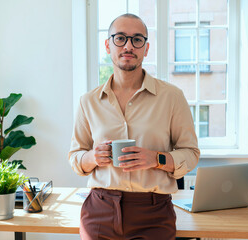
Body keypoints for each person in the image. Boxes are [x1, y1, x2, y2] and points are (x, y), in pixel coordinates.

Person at [69, 13, 200, 240]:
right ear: (107, 45)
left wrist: (156, 159)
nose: (128, 46)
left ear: (146, 49)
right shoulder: (88, 101)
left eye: (137, 39)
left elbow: (191, 153)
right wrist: (92, 157)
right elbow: (75, 157)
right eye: (120, 38)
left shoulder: (172, 97)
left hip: (153, 213)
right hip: (99, 211)